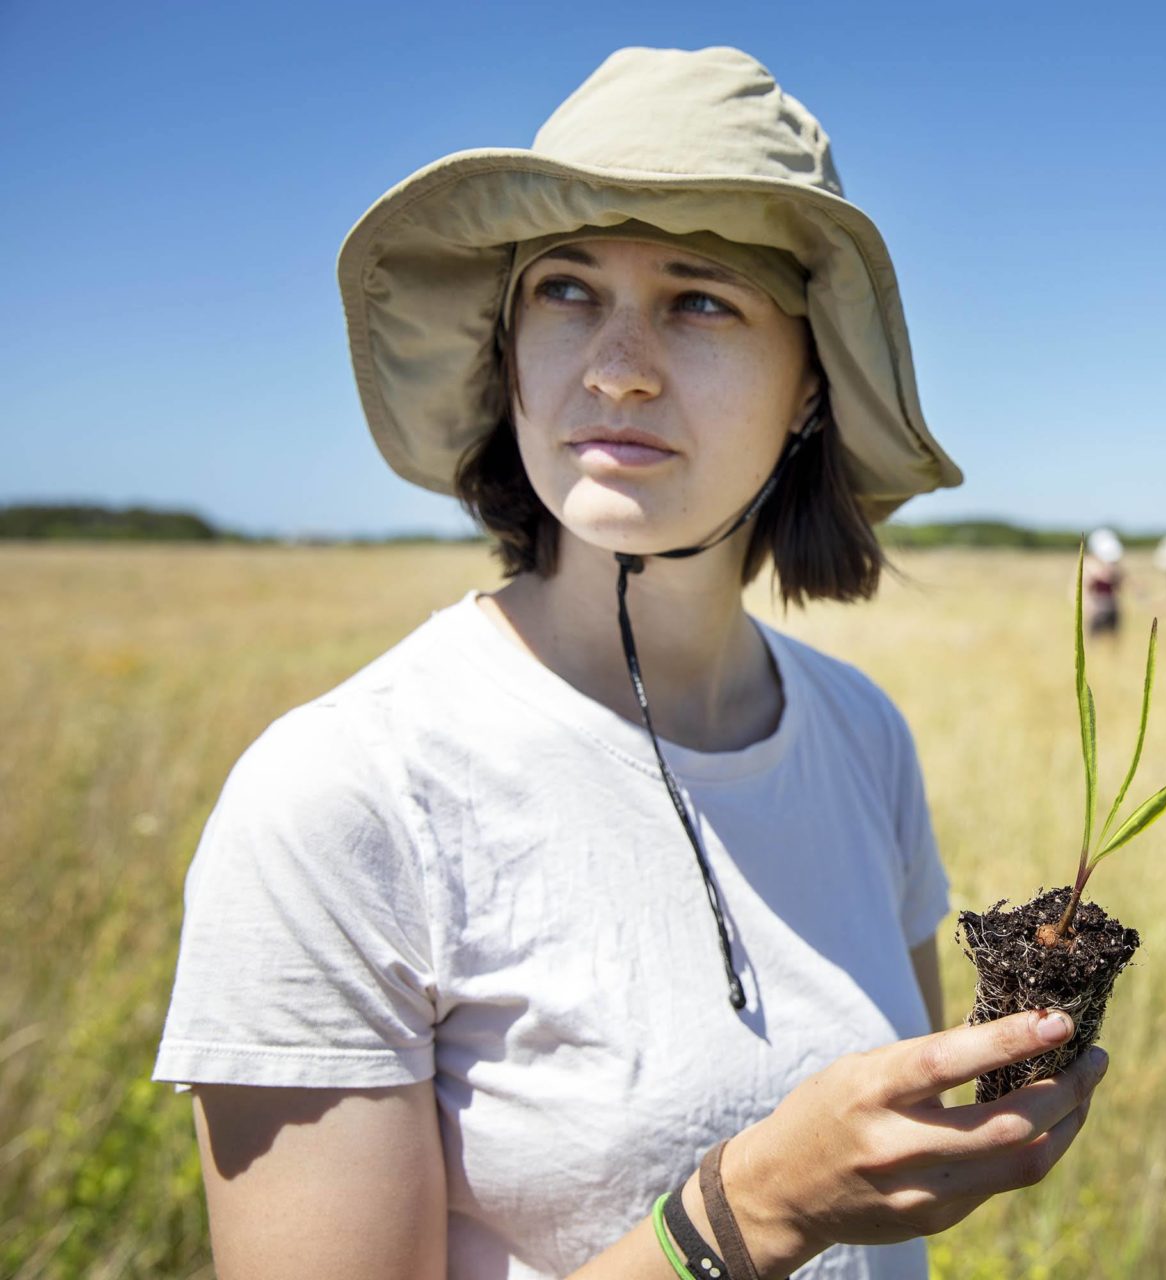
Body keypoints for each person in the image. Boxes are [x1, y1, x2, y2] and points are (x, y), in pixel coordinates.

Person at [153, 47, 1108, 1280]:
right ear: (507, 353)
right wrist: (756, 1209)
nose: (615, 364)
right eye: (564, 290)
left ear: (811, 387)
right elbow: (790, 1203)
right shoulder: (342, 793)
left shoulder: (862, 734)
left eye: (699, 299)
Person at [1082, 527, 1126, 637]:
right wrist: (1088, 606)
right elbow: (1085, 587)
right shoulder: (1089, 565)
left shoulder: (1115, 566)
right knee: (1095, 638)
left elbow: (1120, 587)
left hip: (1112, 607)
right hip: (1097, 609)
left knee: (1112, 638)